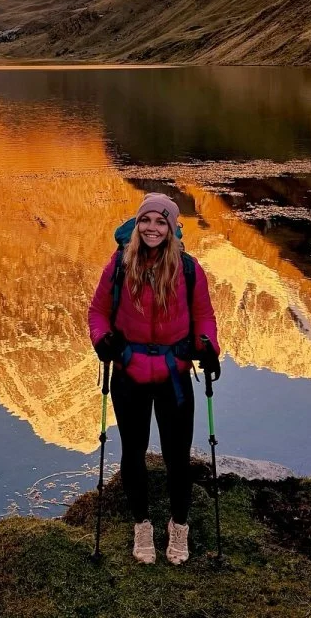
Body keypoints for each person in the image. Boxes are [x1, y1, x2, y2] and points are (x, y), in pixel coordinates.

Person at [88, 192, 221, 565]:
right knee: (133, 452)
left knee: (178, 457)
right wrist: (103, 340)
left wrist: (208, 346)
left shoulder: (189, 270)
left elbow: (204, 315)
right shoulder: (119, 264)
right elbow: (98, 311)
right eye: (146, 220)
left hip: (174, 377)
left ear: (173, 228)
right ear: (137, 223)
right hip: (129, 374)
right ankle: (142, 524)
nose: (152, 228)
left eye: (160, 222)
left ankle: (179, 527)